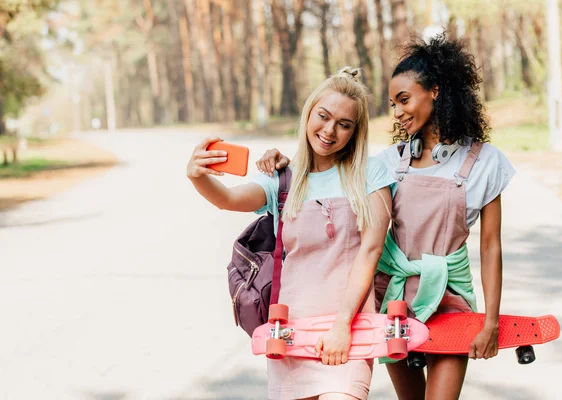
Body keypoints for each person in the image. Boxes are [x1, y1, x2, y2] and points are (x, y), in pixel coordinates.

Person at [255, 33, 516, 400]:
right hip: (394, 302)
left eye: (404, 100)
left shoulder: (487, 163)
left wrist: (490, 322)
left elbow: (491, 247)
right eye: (393, 104)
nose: (397, 113)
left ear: (436, 91)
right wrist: (283, 164)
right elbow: (328, 166)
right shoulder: (387, 164)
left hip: (452, 301)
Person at [187, 67, 395, 400]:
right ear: (308, 113)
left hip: (350, 330)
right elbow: (227, 199)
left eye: (344, 125)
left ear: (355, 132)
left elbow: (370, 251)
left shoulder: (372, 173)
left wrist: (342, 324)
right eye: (323, 116)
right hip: (290, 333)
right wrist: (197, 176)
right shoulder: (285, 179)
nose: (330, 130)